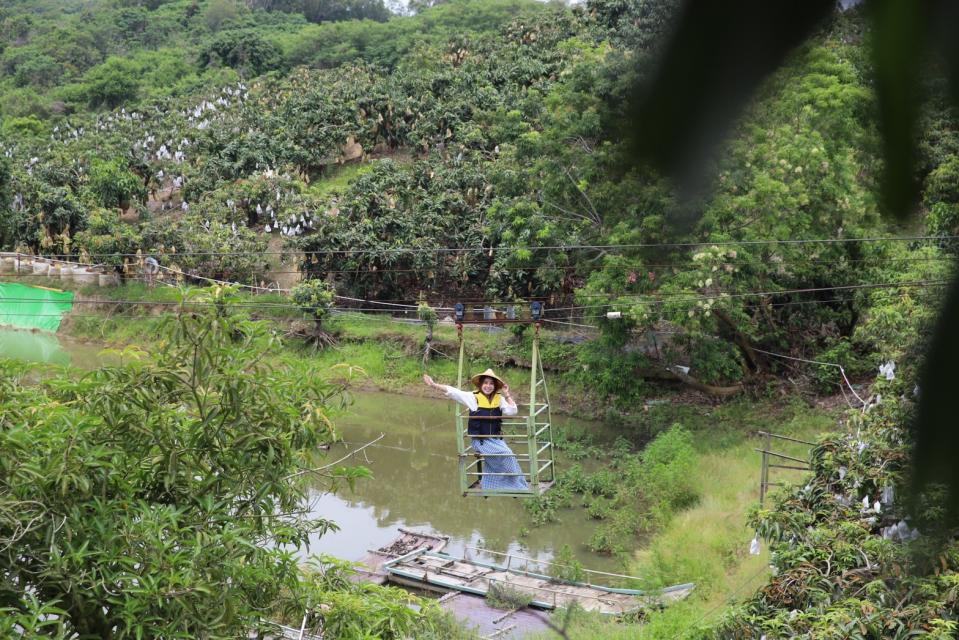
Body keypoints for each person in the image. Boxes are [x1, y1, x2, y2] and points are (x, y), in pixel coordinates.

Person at [424, 369, 529, 491]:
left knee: (508, 455)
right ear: (480, 384)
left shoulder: (498, 399)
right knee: (507, 454)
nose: (488, 386)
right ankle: (515, 485)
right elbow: (453, 391)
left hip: (496, 439)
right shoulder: (473, 398)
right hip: (481, 441)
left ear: (495, 386)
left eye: (491, 383)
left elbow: (512, 411)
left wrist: (507, 394)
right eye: (485, 383)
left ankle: (499, 484)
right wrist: (433, 385)